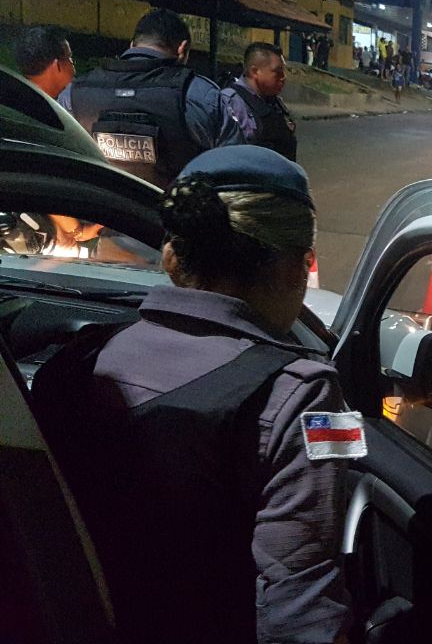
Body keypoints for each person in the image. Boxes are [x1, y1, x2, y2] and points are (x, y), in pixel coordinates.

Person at [37, 146, 356, 643]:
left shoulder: (81, 359)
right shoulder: (301, 394)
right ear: (299, 267)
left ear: (171, 258)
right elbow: (300, 606)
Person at [61, 7, 243, 188]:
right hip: (174, 205)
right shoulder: (202, 95)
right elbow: (233, 169)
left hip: (98, 204)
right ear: (182, 48)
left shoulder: (74, 93)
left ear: (132, 45)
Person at [220, 43, 298, 161]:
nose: (283, 77)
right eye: (277, 72)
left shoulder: (274, 101)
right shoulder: (231, 103)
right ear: (255, 72)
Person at [14, 25, 75, 100]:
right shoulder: (72, 100)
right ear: (56, 66)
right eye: (69, 58)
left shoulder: (14, 100)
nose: (72, 64)